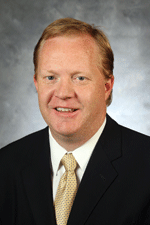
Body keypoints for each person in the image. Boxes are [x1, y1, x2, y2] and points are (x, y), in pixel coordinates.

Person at [0, 18, 150, 225]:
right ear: (36, 83)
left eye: (79, 78)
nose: (63, 93)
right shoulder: (6, 166)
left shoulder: (146, 166)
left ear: (107, 87)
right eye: (51, 77)